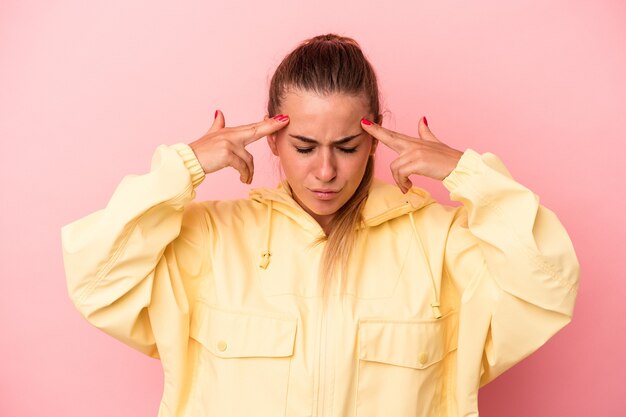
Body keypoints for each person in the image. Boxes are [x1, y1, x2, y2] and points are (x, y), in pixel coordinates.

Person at [61, 33, 580, 417]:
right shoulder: (212, 239)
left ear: (374, 139)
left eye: (347, 147)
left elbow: (548, 288)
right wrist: (183, 165)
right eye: (304, 147)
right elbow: (96, 279)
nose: (326, 171)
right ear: (272, 140)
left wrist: (470, 175)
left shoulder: (439, 242)